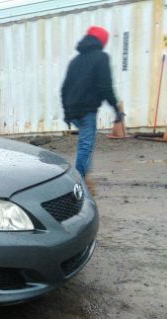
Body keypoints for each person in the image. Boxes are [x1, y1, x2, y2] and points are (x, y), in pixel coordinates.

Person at [61, 26, 123, 195]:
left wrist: (67, 113)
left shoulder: (75, 61)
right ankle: (78, 184)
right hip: (86, 110)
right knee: (86, 147)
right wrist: (116, 109)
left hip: (73, 111)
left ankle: (84, 178)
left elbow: (64, 88)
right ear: (102, 41)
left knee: (85, 145)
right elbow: (105, 86)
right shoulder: (101, 58)